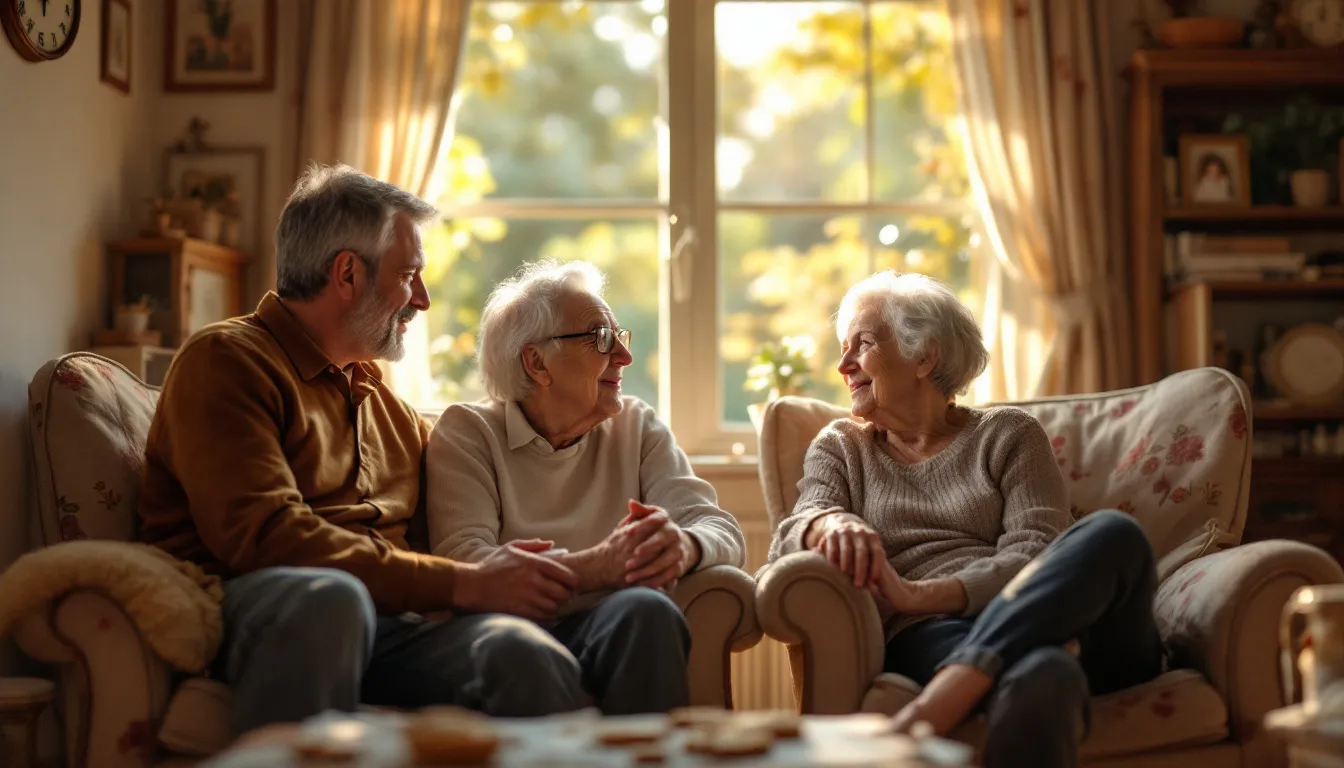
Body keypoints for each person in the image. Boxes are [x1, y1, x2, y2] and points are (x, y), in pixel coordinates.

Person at [138, 164, 588, 738]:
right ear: (348, 273)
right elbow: (266, 536)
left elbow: (469, 497)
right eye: (410, 275)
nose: (422, 299)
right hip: (270, 608)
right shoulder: (226, 361)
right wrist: (462, 583)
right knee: (330, 601)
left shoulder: (385, 403)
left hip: (389, 624)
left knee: (522, 653)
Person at [766, 271, 1163, 768]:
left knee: (1114, 535)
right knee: (1046, 672)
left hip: (1083, 632)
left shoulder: (1009, 434)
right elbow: (788, 541)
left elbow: (1035, 551)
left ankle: (935, 704)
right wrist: (827, 524)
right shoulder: (841, 446)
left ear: (924, 357)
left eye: (862, 344)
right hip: (938, 638)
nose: (843, 364)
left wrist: (920, 595)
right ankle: (971, 676)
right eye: (843, 348)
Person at [426, 259, 747, 715]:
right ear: (537, 363)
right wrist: (598, 567)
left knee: (647, 611)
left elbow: (718, 527)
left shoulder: (636, 425)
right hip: (508, 629)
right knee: (522, 648)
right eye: (600, 337)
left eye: (620, 336)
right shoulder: (468, 432)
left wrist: (684, 545)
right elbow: (466, 564)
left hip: (606, 623)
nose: (624, 355)